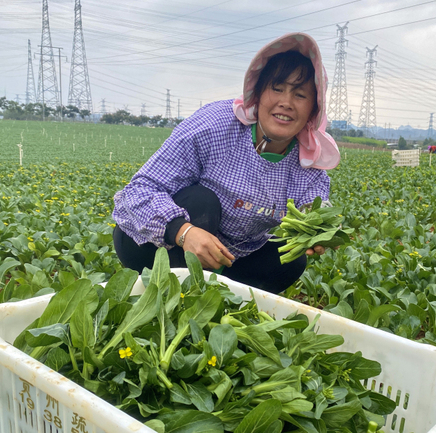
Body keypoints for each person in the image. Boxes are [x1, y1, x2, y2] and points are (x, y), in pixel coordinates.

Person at [111, 33, 340, 294]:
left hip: (231, 259)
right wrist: (183, 231)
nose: (286, 103)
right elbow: (137, 191)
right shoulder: (215, 125)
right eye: (277, 88)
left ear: (314, 109)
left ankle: (220, 301)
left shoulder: (310, 161)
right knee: (201, 201)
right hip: (154, 247)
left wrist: (318, 231)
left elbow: (316, 207)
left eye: (300, 95)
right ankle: (174, 296)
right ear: (258, 92)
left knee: (289, 258)